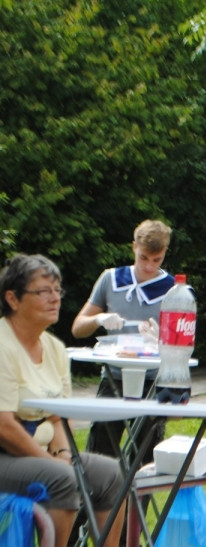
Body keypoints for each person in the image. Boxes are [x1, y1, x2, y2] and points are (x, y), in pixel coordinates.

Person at [0, 254, 126, 547]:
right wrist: (52, 463)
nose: (55, 299)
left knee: (110, 474)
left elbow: (59, 417)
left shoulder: (55, 349)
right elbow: (4, 426)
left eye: (58, 291)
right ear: (13, 299)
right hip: (5, 454)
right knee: (61, 478)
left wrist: (64, 457)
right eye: (44, 291)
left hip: (39, 451)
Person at [72, 219, 175, 460]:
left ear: (164, 254)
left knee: (145, 460)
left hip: (152, 380)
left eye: (156, 260)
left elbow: (183, 344)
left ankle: (135, 500)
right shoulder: (110, 279)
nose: (149, 267)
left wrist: (162, 339)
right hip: (113, 377)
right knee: (99, 454)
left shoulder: (173, 289)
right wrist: (99, 319)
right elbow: (78, 328)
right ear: (133, 248)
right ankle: (99, 499)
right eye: (143, 258)